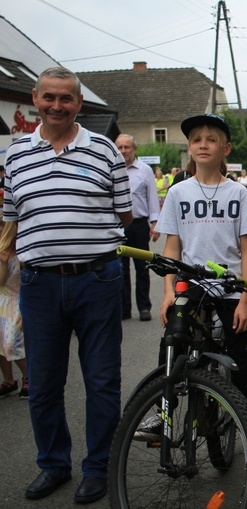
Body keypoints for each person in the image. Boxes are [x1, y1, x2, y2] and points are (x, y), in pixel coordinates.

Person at [3, 66, 132, 503]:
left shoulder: (105, 150)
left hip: (97, 279)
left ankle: (99, 467)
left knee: (101, 381)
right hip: (38, 285)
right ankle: (53, 465)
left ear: (78, 103)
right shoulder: (14, 154)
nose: (57, 106)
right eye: (49, 97)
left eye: (66, 99)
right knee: (41, 383)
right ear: (35, 98)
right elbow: (9, 218)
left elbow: (125, 215)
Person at [153, 113, 247, 480]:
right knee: (173, 343)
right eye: (196, 139)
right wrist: (168, 292)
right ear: (190, 149)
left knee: (241, 366)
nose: (203, 144)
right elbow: (172, 247)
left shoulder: (236, 192)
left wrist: (244, 298)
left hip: (229, 289)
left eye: (211, 139)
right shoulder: (178, 192)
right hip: (191, 286)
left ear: (225, 148)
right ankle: (162, 408)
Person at [116, 134, 161, 321]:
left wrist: (155, 222)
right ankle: (124, 308)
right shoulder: (112, 168)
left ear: (135, 149)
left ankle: (144, 307)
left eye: (127, 147)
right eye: (120, 147)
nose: (123, 151)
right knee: (120, 269)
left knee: (142, 267)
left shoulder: (144, 170)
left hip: (139, 224)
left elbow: (152, 197)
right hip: (117, 225)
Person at [0, 221, 27, 399]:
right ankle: (9, 380)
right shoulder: (3, 253)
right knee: (1, 346)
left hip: (16, 301)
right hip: (3, 300)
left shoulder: (22, 252)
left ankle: (28, 376)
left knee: (11, 344)